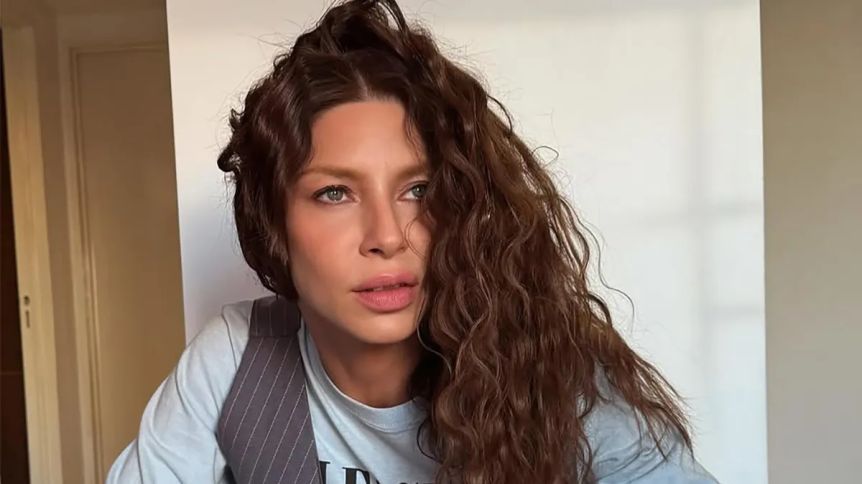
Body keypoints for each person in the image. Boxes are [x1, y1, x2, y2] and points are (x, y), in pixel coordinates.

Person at [108, 0, 719, 482]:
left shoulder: (551, 373)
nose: (386, 237)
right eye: (335, 193)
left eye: (418, 190)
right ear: (274, 222)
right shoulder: (236, 359)